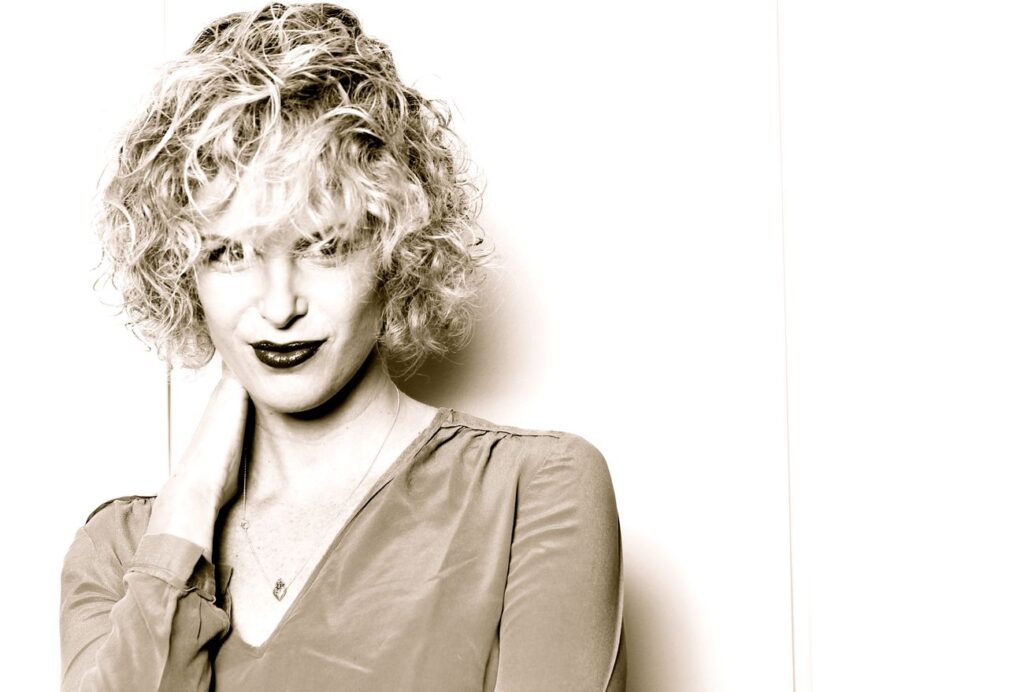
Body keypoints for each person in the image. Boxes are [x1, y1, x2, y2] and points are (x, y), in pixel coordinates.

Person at [59, 3, 625, 690]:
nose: (279, 305)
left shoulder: (531, 490)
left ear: (396, 247)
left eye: (324, 246)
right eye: (228, 253)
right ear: (182, 270)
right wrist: (187, 513)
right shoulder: (121, 552)